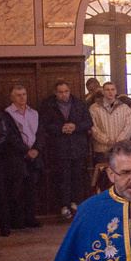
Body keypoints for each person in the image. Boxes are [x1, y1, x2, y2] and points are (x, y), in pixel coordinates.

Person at [40, 81, 91, 218]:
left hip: (77, 146)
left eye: (66, 91)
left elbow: (88, 122)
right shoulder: (48, 105)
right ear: (55, 93)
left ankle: (75, 202)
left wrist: (75, 126)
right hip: (59, 147)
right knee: (63, 177)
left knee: (77, 176)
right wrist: (60, 128)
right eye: (61, 92)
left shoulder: (79, 103)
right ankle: (64, 204)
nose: (64, 94)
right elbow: (44, 124)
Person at [0, 84, 42, 233]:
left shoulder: (34, 113)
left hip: (34, 156)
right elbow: (10, 137)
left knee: (31, 189)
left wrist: (35, 149)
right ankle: (17, 220)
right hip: (16, 157)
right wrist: (26, 151)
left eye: (24, 94)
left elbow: (40, 133)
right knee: (16, 191)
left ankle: (30, 218)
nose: (22, 97)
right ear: (12, 97)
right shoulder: (7, 114)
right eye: (18, 95)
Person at [89, 86, 131, 183]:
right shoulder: (94, 108)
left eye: (112, 89)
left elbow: (129, 125)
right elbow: (93, 127)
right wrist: (106, 141)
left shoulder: (124, 108)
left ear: (116, 91)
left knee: (121, 176)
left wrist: (119, 141)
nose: (110, 92)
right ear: (103, 92)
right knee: (103, 178)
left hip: (120, 149)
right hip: (102, 149)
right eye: (107, 90)